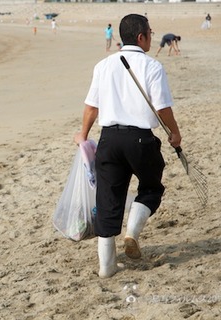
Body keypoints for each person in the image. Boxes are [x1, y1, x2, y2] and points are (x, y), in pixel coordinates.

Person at [74, 14, 182, 278]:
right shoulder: (152, 66)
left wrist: (83, 134)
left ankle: (107, 268)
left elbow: (91, 106)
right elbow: (162, 108)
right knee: (151, 187)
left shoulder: (102, 65)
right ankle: (132, 233)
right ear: (141, 37)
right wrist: (175, 133)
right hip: (141, 140)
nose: (151, 37)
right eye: (150, 33)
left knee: (108, 200)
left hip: (109, 140)